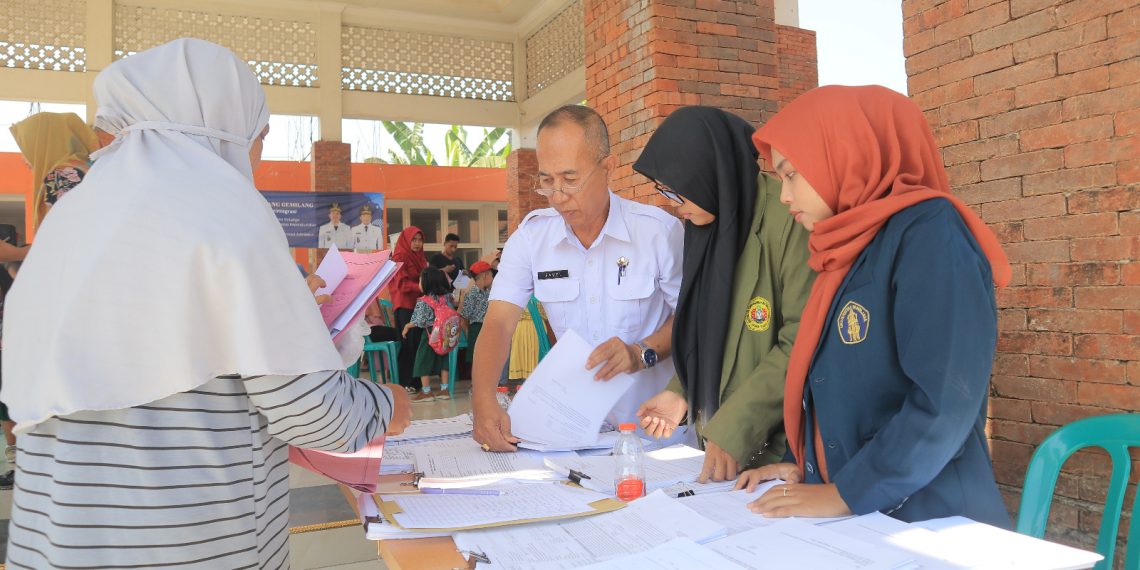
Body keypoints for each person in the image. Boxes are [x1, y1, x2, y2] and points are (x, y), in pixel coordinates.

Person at [0, 39, 411, 568]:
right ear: (224, 125)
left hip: (60, 540)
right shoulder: (228, 211)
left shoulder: (69, 219)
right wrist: (388, 404)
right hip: (191, 543)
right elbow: (314, 415)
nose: (257, 154)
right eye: (258, 136)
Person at [736, 85, 1012, 528]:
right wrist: (805, 463)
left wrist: (845, 493)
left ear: (846, 153)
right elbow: (836, 380)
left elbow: (945, 401)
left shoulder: (930, 235)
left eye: (791, 174)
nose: (784, 196)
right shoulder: (847, 245)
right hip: (863, 513)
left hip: (929, 520)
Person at [472, 104, 683, 452]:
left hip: (653, 436)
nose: (557, 196)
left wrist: (641, 352)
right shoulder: (532, 238)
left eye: (570, 180)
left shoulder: (657, 233)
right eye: (546, 181)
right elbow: (498, 322)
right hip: (568, 438)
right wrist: (482, 399)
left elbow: (694, 321)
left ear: (607, 168)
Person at [633, 107, 815, 483]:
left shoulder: (789, 219)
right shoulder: (705, 224)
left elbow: (801, 338)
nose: (673, 203)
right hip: (719, 445)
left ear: (705, 174)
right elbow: (707, 323)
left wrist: (733, 429)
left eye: (675, 189)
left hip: (779, 449)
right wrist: (681, 391)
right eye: (664, 190)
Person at [10, 112, 101, 231]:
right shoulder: (87, 168)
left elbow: (63, 238)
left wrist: (12, 250)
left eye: (27, 147)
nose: (24, 158)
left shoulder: (62, 176)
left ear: (44, 145)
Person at [402, 266, 456, 402]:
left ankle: (426, 391)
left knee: (422, 360)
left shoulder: (423, 300)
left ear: (426, 282)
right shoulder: (448, 297)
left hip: (430, 335)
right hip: (446, 334)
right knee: (443, 359)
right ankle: (444, 390)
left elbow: (419, 321)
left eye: (420, 280)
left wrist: (408, 326)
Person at [390, 225, 428, 392]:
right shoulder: (400, 256)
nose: (417, 243)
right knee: (408, 344)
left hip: (417, 305)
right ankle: (405, 382)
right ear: (406, 240)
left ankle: (415, 381)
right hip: (405, 305)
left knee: (417, 343)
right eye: (414, 239)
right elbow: (402, 284)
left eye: (420, 240)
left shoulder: (419, 257)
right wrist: (422, 286)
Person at [459, 260, 495, 363]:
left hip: (488, 327)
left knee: (488, 356)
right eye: (492, 276)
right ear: (485, 275)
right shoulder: (472, 293)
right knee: (477, 357)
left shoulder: (489, 292)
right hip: (476, 328)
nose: (492, 279)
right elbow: (465, 316)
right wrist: (467, 332)